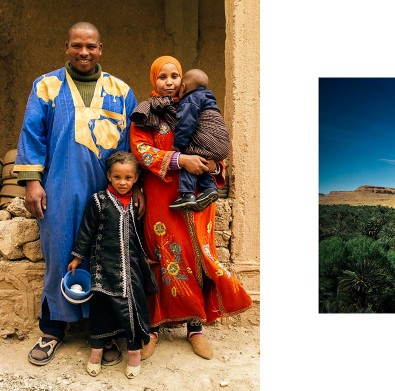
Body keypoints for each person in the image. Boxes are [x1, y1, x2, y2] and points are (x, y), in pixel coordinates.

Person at [14, 22, 140, 367]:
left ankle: (101, 332)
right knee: (60, 252)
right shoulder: (47, 86)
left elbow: (131, 145)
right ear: (66, 47)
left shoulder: (120, 90)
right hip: (60, 187)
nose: (84, 52)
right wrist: (31, 182)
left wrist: (134, 189)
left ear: (101, 48)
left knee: (105, 259)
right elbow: (32, 134)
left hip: (109, 191)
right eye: (76, 46)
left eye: (91, 46)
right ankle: (53, 329)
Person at [129, 56, 251, 360]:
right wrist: (179, 160)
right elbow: (141, 151)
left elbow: (213, 139)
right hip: (160, 198)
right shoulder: (146, 114)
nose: (169, 82)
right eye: (162, 77)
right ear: (153, 80)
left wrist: (213, 164)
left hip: (197, 199)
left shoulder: (198, 104)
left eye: (175, 75)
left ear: (182, 79)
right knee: (160, 258)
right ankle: (154, 328)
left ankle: (195, 328)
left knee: (198, 258)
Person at [67, 151, 156, 379]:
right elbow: (86, 230)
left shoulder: (137, 203)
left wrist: (146, 255)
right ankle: (96, 353)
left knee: (133, 311)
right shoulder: (99, 201)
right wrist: (77, 257)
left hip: (131, 268)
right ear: (109, 176)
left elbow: (142, 232)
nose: (122, 182)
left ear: (135, 178)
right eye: (117, 177)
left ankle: (134, 353)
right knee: (102, 310)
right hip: (103, 267)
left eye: (128, 178)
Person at [169, 68, 231, 211]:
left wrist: (178, 146)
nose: (170, 83)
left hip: (210, 142)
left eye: (174, 77)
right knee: (201, 160)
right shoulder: (208, 99)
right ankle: (209, 188)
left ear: (183, 86)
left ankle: (187, 194)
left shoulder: (190, 100)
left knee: (190, 154)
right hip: (221, 145)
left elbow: (186, 123)